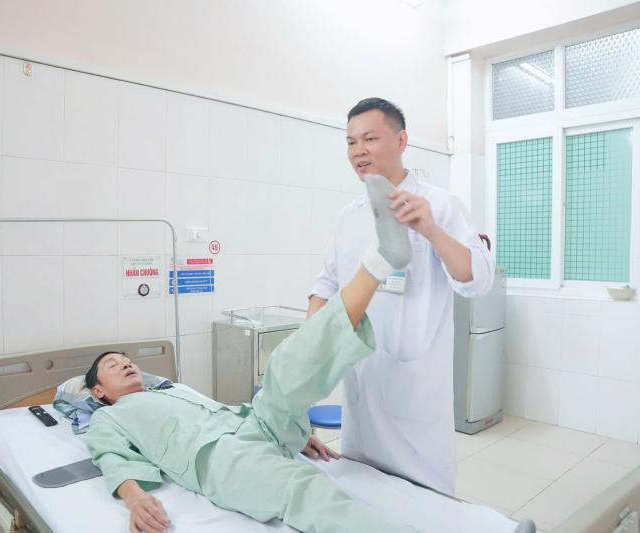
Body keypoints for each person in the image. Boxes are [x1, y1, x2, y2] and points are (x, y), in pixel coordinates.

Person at [83, 177, 422, 533]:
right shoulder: (109, 417)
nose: (125, 363)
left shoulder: (171, 389)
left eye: (127, 359)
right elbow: (110, 456)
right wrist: (135, 498)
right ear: (98, 390)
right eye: (112, 365)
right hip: (220, 458)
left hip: (253, 421)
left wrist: (291, 427)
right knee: (305, 491)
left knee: (286, 364)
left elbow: (218, 410)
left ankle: (382, 260)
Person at [307, 98, 495, 496]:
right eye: (351, 142)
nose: (358, 151)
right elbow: (326, 285)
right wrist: (309, 351)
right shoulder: (348, 216)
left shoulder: (440, 205)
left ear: (401, 140)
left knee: (423, 505)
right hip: (361, 390)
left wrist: (431, 231)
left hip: (416, 398)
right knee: (363, 498)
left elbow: (477, 280)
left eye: (370, 139)